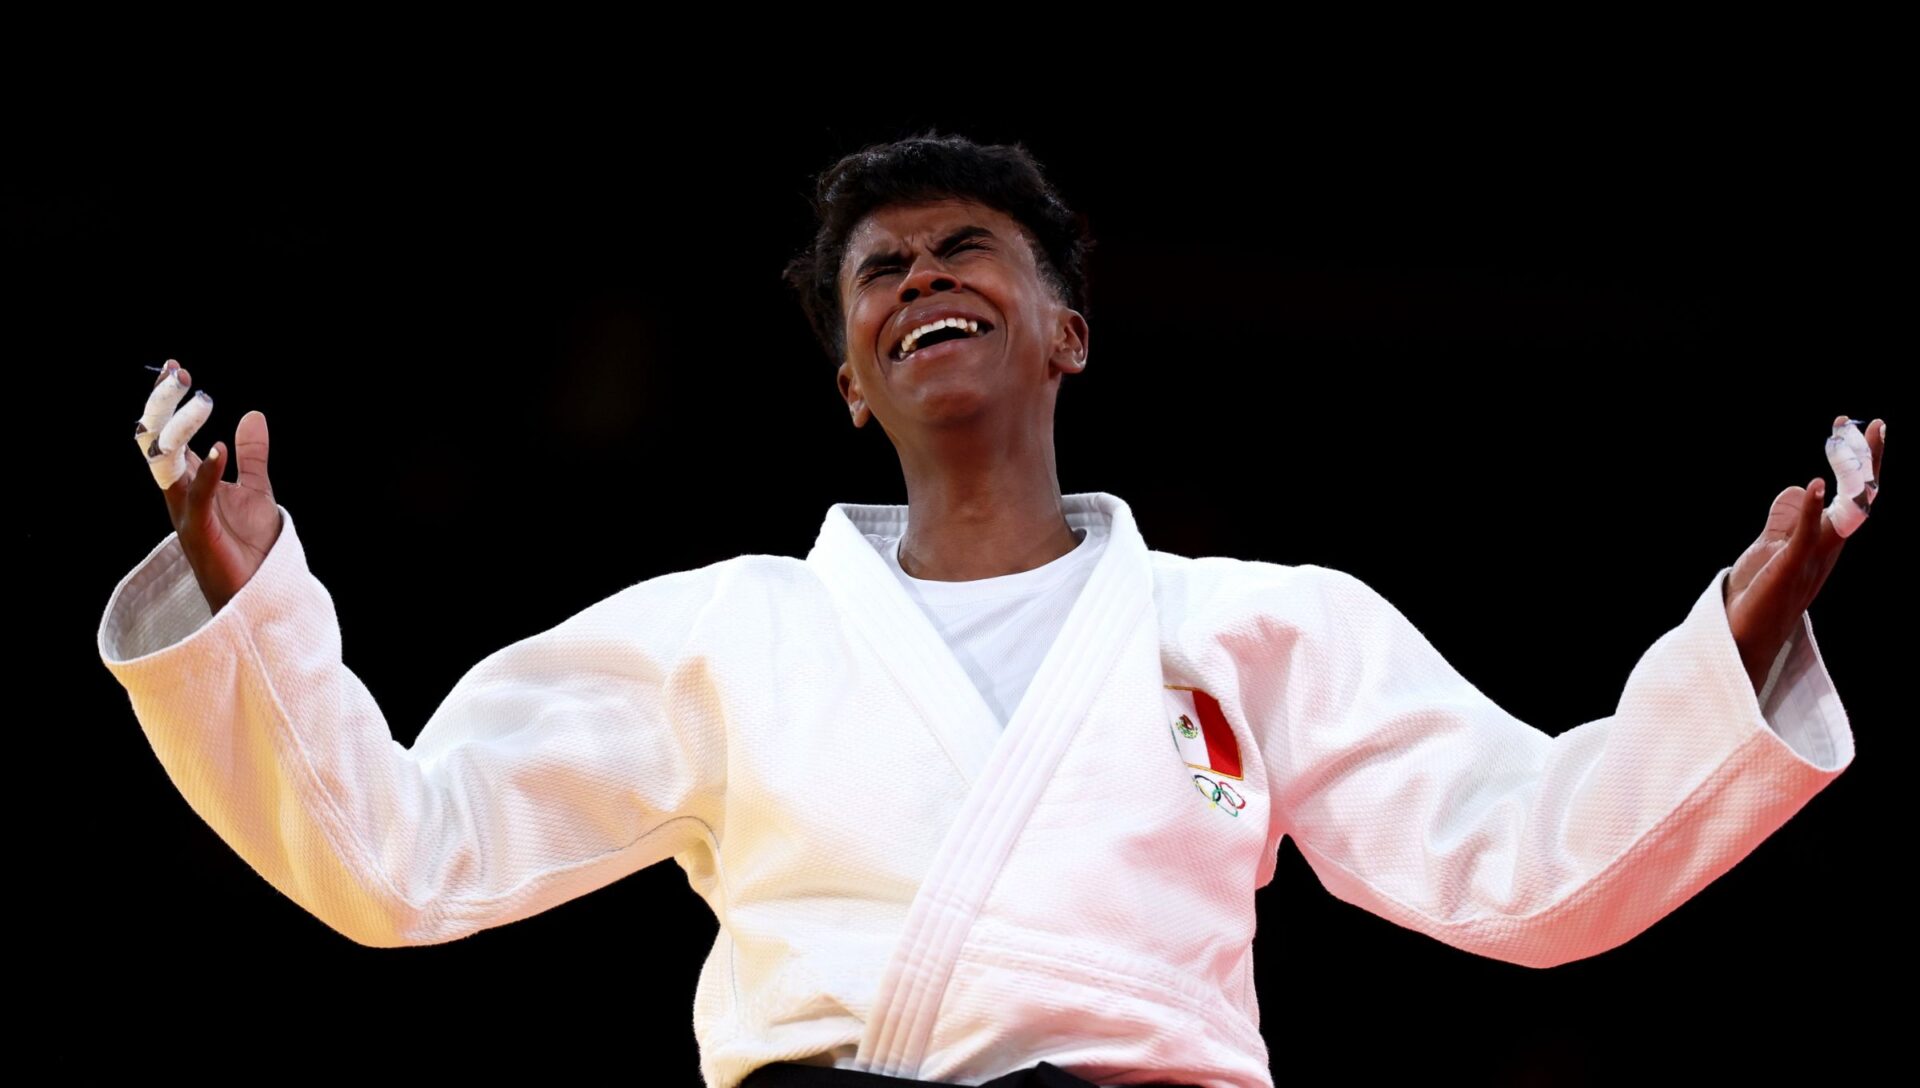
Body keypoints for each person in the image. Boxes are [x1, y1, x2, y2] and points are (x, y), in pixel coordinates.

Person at [97, 132, 1882, 1088]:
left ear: (1065, 334)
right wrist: (259, 620)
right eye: (884, 270)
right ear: (855, 382)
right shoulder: (726, 635)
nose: (924, 275)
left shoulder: (1253, 630)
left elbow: (1530, 870)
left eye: (968, 252)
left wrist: (1728, 643)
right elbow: (405, 855)